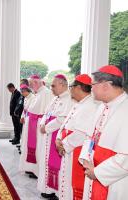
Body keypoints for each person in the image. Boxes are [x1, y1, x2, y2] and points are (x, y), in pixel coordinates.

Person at [79, 65, 128, 200]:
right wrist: (86, 159)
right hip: (93, 169)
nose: (91, 88)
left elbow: (126, 158)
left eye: (93, 84)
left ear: (106, 86)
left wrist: (98, 172)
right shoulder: (102, 106)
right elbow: (91, 137)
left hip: (115, 181)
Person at [55, 74, 98, 200]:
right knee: (66, 180)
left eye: (71, 87)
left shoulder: (90, 106)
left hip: (75, 150)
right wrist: (58, 138)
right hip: (68, 147)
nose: (70, 90)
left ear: (78, 87)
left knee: (72, 183)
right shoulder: (79, 103)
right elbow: (65, 123)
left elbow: (82, 133)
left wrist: (64, 145)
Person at [38, 74, 74, 199]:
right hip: (48, 135)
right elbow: (46, 113)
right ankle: (48, 188)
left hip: (57, 136)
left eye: (53, 85)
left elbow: (62, 119)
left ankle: (58, 192)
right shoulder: (55, 98)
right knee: (46, 163)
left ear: (62, 84)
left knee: (57, 165)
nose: (51, 88)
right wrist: (43, 123)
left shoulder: (69, 98)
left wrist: (46, 127)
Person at [19, 74, 53, 179]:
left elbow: (47, 111)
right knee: (31, 147)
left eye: (30, 84)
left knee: (38, 149)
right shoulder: (38, 93)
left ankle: (36, 170)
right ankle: (31, 168)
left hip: (38, 125)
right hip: (31, 124)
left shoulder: (46, 93)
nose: (30, 87)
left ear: (35, 82)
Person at [18, 84, 35, 160]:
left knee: (28, 136)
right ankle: (23, 149)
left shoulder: (33, 98)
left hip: (30, 120)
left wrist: (25, 117)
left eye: (22, 92)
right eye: (21, 92)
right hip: (25, 118)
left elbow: (31, 111)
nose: (22, 94)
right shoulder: (26, 98)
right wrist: (22, 117)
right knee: (24, 134)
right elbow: (24, 110)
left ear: (26, 91)